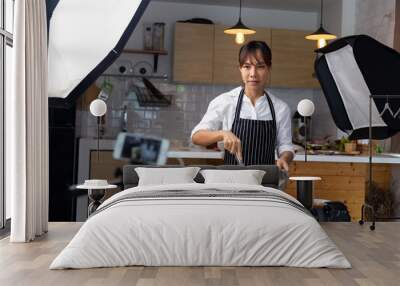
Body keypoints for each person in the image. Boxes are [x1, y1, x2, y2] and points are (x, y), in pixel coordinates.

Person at [191, 40, 294, 171]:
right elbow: (196, 137)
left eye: (260, 66)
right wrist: (222, 134)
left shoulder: (280, 108)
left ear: (269, 68)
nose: (253, 74)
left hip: (266, 182)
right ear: (240, 69)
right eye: (247, 67)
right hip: (231, 182)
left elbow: (286, 146)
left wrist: (284, 158)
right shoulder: (226, 101)